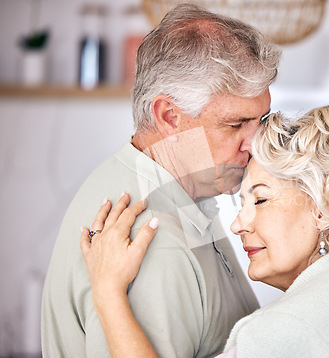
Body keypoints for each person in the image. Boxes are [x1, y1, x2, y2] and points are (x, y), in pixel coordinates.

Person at [80, 103, 329, 357]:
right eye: (241, 204)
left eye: (259, 200)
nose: (238, 224)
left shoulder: (279, 334)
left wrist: (108, 291)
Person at [42, 3, 281, 357]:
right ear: (168, 116)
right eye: (235, 125)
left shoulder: (193, 186)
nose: (255, 144)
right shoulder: (150, 240)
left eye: (260, 121)